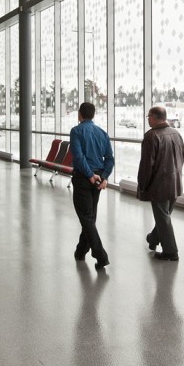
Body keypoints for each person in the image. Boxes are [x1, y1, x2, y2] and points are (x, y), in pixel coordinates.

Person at [69, 102, 115, 269]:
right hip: (97, 180)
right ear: (93, 115)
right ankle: (81, 251)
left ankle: (100, 254)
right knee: (90, 217)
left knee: (86, 217)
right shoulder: (102, 133)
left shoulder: (76, 131)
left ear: (80, 114)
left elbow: (78, 157)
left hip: (84, 177)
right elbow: (110, 158)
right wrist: (103, 177)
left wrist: (89, 175)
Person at [137, 106, 184, 261]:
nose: (147, 119)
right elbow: (181, 157)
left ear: (155, 117)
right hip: (175, 182)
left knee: (163, 217)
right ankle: (153, 239)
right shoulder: (176, 134)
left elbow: (146, 165)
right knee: (164, 216)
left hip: (159, 185)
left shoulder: (152, 136)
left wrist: (142, 184)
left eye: (148, 116)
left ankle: (171, 252)